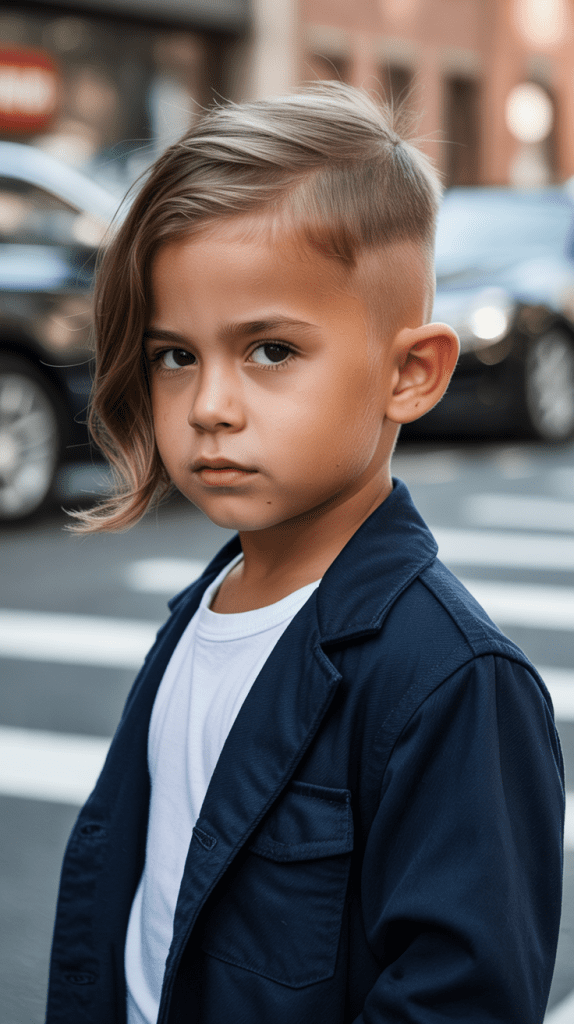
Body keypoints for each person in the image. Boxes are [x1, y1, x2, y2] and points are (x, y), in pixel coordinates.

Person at [46, 83, 564, 1024]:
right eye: (175, 356)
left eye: (272, 351)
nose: (210, 407)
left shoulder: (453, 683)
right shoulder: (203, 609)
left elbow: (461, 998)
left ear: (411, 373)